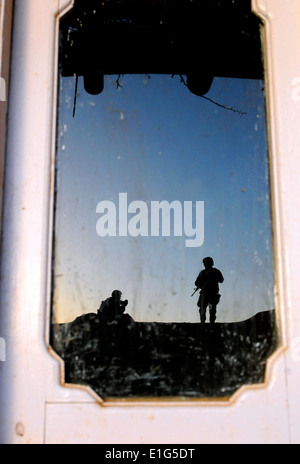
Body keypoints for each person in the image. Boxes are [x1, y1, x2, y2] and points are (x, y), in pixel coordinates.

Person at [194, 257, 224, 324]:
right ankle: (202, 323)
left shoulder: (216, 271)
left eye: (206, 262)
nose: (205, 264)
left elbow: (221, 280)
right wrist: (202, 284)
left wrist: (213, 278)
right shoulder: (202, 273)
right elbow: (196, 283)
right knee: (202, 309)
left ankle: (212, 324)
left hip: (213, 293)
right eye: (204, 263)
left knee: (212, 310)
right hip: (204, 294)